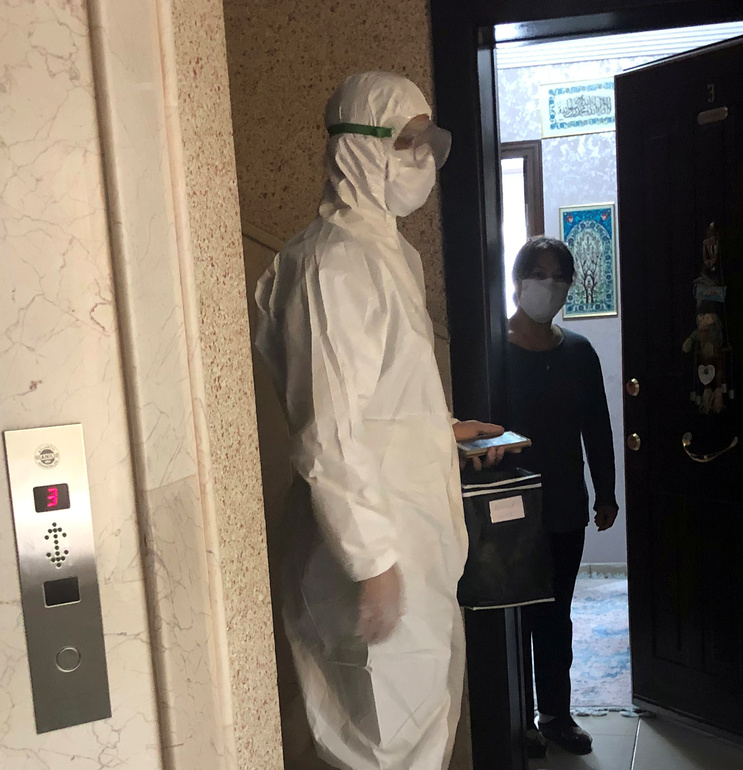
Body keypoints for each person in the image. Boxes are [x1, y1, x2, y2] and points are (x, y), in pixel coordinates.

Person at [254, 71, 504, 770]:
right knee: (381, 742)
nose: (422, 160)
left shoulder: (390, 254)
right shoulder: (330, 265)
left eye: (429, 143)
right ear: (356, 148)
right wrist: (373, 564)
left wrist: (441, 432)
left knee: (422, 727)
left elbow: (379, 400)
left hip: (413, 545)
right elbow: (327, 433)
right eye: (406, 142)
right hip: (370, 552)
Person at [504, 238, 619, 757]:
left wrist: (606, 493)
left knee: (556, 615)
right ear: (517, 280)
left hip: (566, 505)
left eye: (559, 277)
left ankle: (555, 714)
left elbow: (597, 426)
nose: (548, 286)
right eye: (539, 274)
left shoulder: (579, 353)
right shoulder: (492, 348)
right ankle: (517, 719)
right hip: (508, 512)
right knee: (515, 616)